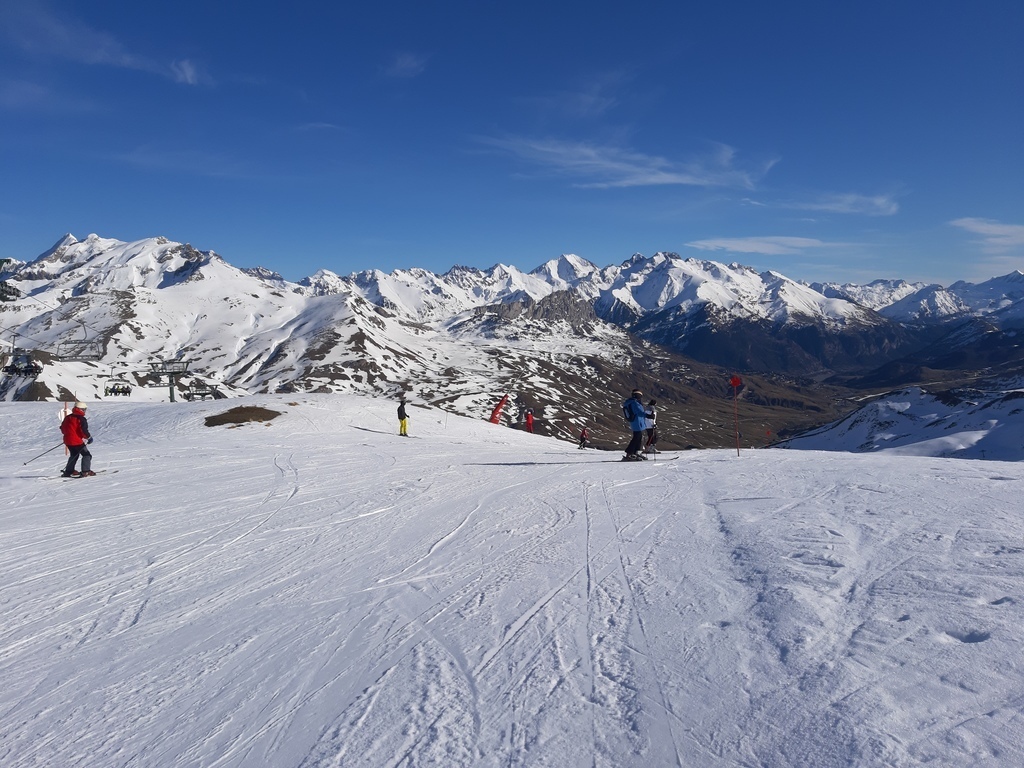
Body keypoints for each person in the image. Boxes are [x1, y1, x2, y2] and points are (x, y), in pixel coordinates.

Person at [60, 401, 95, 477]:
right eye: (84, 409)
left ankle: (69, 471)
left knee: (74, 455)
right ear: (81, 409)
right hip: (77, 441)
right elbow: (83, 431)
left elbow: (62, 428)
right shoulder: (81, 419)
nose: (85, 411)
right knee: (86, 455)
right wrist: (89, 438)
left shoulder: (68, 417)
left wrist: (68, 435)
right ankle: (85, 471)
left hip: (67, 440)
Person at [622, 389, 648, 461]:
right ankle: (629, 454)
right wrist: (647, 415)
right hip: (637, 422)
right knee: (637, 437)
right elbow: (639, 411)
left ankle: (635, 452)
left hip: (635, 421)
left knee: (638, 437)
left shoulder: (630, 402)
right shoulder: (635, 403)